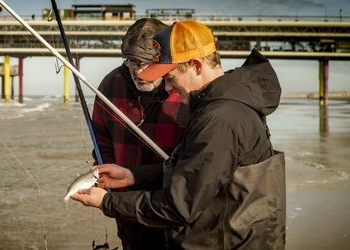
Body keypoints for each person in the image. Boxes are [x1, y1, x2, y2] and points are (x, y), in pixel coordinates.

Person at [74, 21, 286, 249]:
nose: (166, 88)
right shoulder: (220, 106)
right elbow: (196, 170)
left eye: (170, 77)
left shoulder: (219, 119)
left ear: (195, 65)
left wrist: (107, 201)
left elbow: (179, 205)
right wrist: (133, 176)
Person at [91, 18, 189, 250]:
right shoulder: (110, 84)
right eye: (132, 62)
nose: (139, 70)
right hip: (125, 204)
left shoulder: (182, 87)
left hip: (173, 203)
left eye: (147, 62)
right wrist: (104, 183)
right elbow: (102, 140)